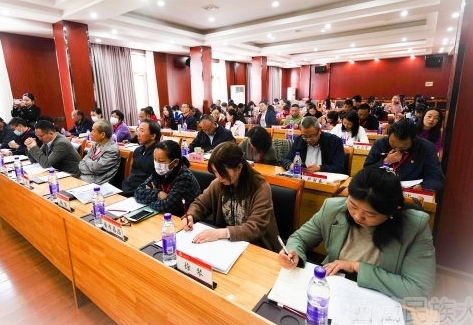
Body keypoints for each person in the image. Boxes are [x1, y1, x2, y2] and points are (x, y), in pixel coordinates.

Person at [278, 166, 435, 300]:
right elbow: (300, 238)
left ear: (393, 211)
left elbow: (419, 289)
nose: (357, 216)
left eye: (370, 214)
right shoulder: (332, 208)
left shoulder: (414, 227)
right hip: (332, 290)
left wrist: (356, 267)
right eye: (353, 205)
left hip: (378, 300)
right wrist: (294, 254)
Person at [181, 142, 281, 251]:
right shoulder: (218, 184)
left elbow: (255, 227)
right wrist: (191, 215)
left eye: (223, 172)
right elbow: (201, 203)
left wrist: (221, 233)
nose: (219, 177)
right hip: (228, 245)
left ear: (239, 168)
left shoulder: (260, 187)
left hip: (258, 246)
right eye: (216, 172)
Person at [364, 119, 445, 191]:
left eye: (403, 148)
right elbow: (366, 172)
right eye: (393, 146)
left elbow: (437, 178)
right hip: (382, 189)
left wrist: (422, 186)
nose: (397, 150)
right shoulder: (380, 143)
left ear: (413, 140)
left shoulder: (427, 148)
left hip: (410, 192)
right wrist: (386, 162)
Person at [134, 140, 201, 216]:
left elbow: (167, 207)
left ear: (175, 162)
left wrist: (148, 199)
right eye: (155, 159)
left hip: (181, 218)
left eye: (161, 161)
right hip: (160, 215)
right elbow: (138, 193)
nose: (157, 164)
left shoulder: (184, 178)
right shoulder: (159, 173)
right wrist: (158, 193)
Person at [121, 119, 161, 196]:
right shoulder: (138, 150)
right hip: (128, 188)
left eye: (142, 131)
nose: (138, 134)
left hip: (145, 193)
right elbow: (133, 172)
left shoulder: (159, 154)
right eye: (138, 130)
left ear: (153, 136)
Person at [78, 120, 121, 185]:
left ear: (102, 134)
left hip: (98, 184)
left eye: (93, 131)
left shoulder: (112, 149)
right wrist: (91, 164)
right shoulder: (95, 144)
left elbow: (96, 168)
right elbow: (81, 163)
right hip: (85, 179)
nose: (91, 133)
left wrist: (88, 161)